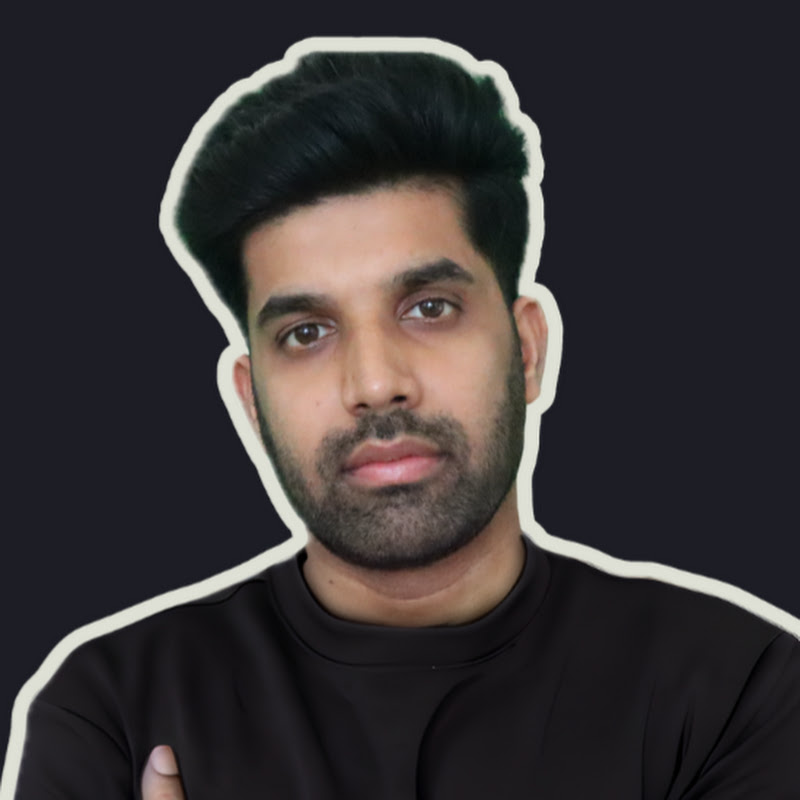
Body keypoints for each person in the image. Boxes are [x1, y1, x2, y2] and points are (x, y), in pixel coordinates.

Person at [6, 39, 800, 800]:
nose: (376, 383)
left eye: (429, 308)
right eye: (306, 333)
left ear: (527, 351)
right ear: (251, 400)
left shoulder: (738, 694)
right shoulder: (116, 712)